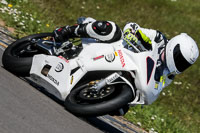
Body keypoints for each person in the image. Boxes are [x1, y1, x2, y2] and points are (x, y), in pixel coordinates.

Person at [53, 17, 199, 115]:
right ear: (173, 47)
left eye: (183, 64)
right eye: (179, 58)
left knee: (121, 110)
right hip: (117, 49)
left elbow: (154, 89)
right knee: (110, 28)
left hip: (130, 71)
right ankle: (65, 31)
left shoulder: (168, 76)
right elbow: (133, 27)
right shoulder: (159, 39)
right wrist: (131, 34)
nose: (179, 63)